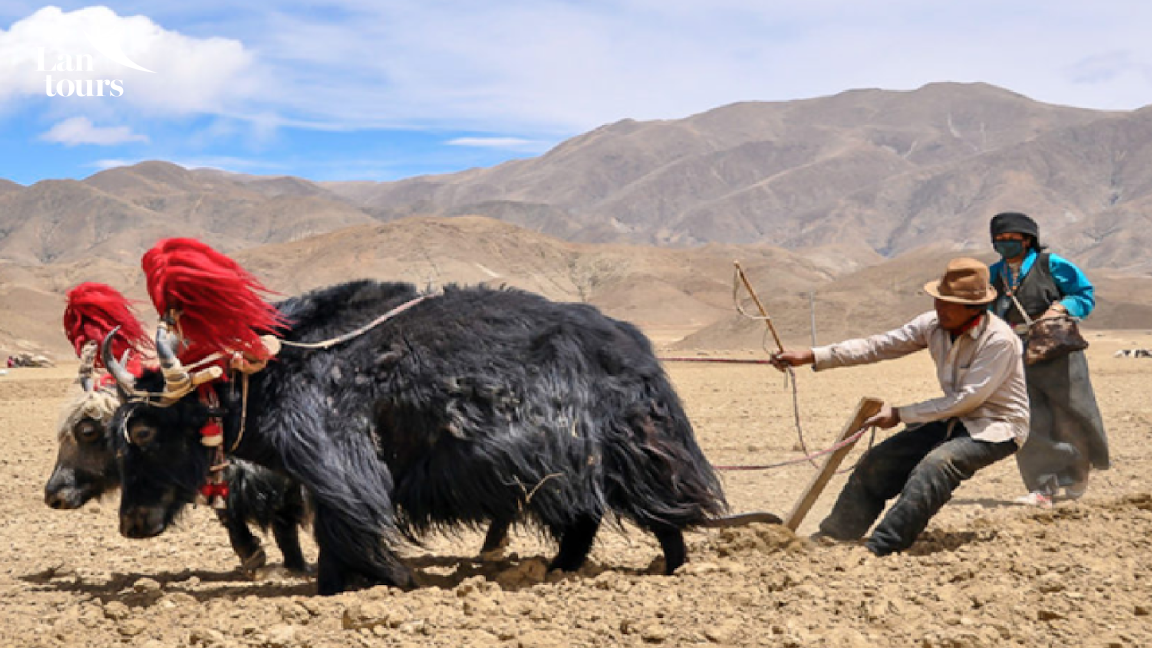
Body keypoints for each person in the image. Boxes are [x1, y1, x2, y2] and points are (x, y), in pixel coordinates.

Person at [771, 257, 1028, 556]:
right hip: (949, 418)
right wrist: (813, 355)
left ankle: (882, 547)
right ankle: (834, 536)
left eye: (949, 304)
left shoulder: (999, 340)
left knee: (936, 467)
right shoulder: (932, 325)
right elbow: (879, 345)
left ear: (974, 308)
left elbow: (968, 400)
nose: (940, 308)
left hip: (995, 426)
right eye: (939, 300)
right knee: (878, 462)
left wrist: (899, 414)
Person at [988, 211, 1109, 509]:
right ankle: (1042, 488)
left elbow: (1083, 294)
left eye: (1011, 238)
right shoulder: (994, 273)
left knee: (1070, 414)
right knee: (1028, 418)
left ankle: (1077, 472)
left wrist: (1061, 308)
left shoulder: (1051, 265)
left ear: (1027, 240)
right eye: (999, 239)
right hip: (1015, 353)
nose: (1004, 243)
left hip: (1058, 351)